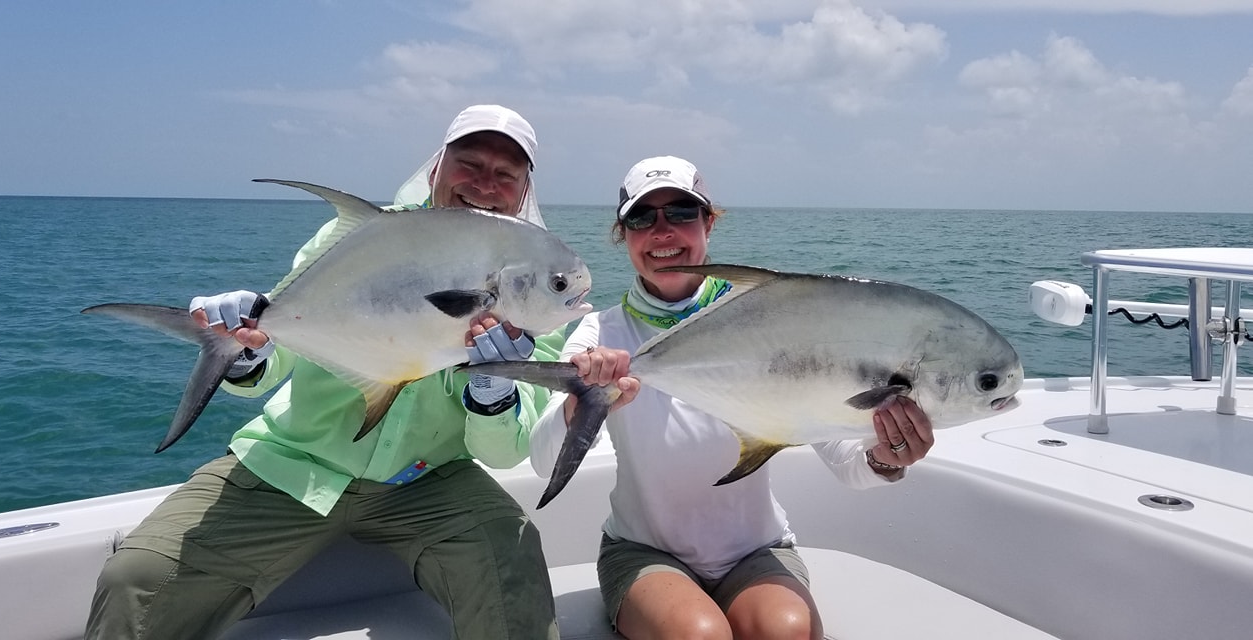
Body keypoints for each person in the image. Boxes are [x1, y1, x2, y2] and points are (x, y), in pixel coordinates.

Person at [86, 105, 561, 640]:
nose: (484, 184)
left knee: (511, 564)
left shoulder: (540, 288)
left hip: (429, 479)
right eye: (469, 164)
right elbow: (275, 361)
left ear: (523, 191)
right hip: (294, 462)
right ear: (437, 167)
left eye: (505, 175)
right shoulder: (362, 234)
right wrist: (246, 349)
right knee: (138, 578)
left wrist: (493, 392)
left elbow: (503, 452)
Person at [528, 156, 937, 640]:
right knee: (699, 635)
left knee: (788, 632)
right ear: (624, 235)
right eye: (642, 218)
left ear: (708, 223)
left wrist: (888, 456)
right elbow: (540, 457)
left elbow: (845, 458)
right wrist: (583, 405)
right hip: (644, 552)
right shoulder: (602, 333)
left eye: (681, 212)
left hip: (756, 552)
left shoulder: (776, 323)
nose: (662, 231)